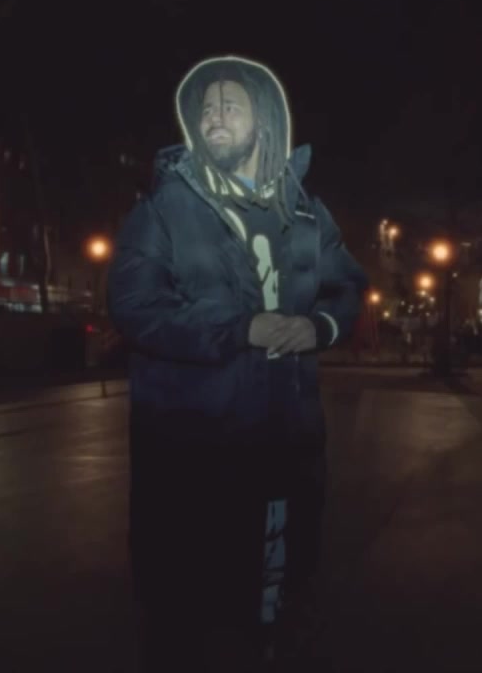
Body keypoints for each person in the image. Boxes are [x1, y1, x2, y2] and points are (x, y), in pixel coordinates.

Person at [107, 55, 369, 670]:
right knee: (183, 613)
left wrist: (318, 326)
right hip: (188, 453)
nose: (214, 117)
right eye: (206, 108)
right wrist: (239, 328)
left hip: (285, 449)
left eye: (230, 106)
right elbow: (135, 307)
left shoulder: (306, 214)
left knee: (275, 597)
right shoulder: (163, 210)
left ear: (265, 120)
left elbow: (347, 288)